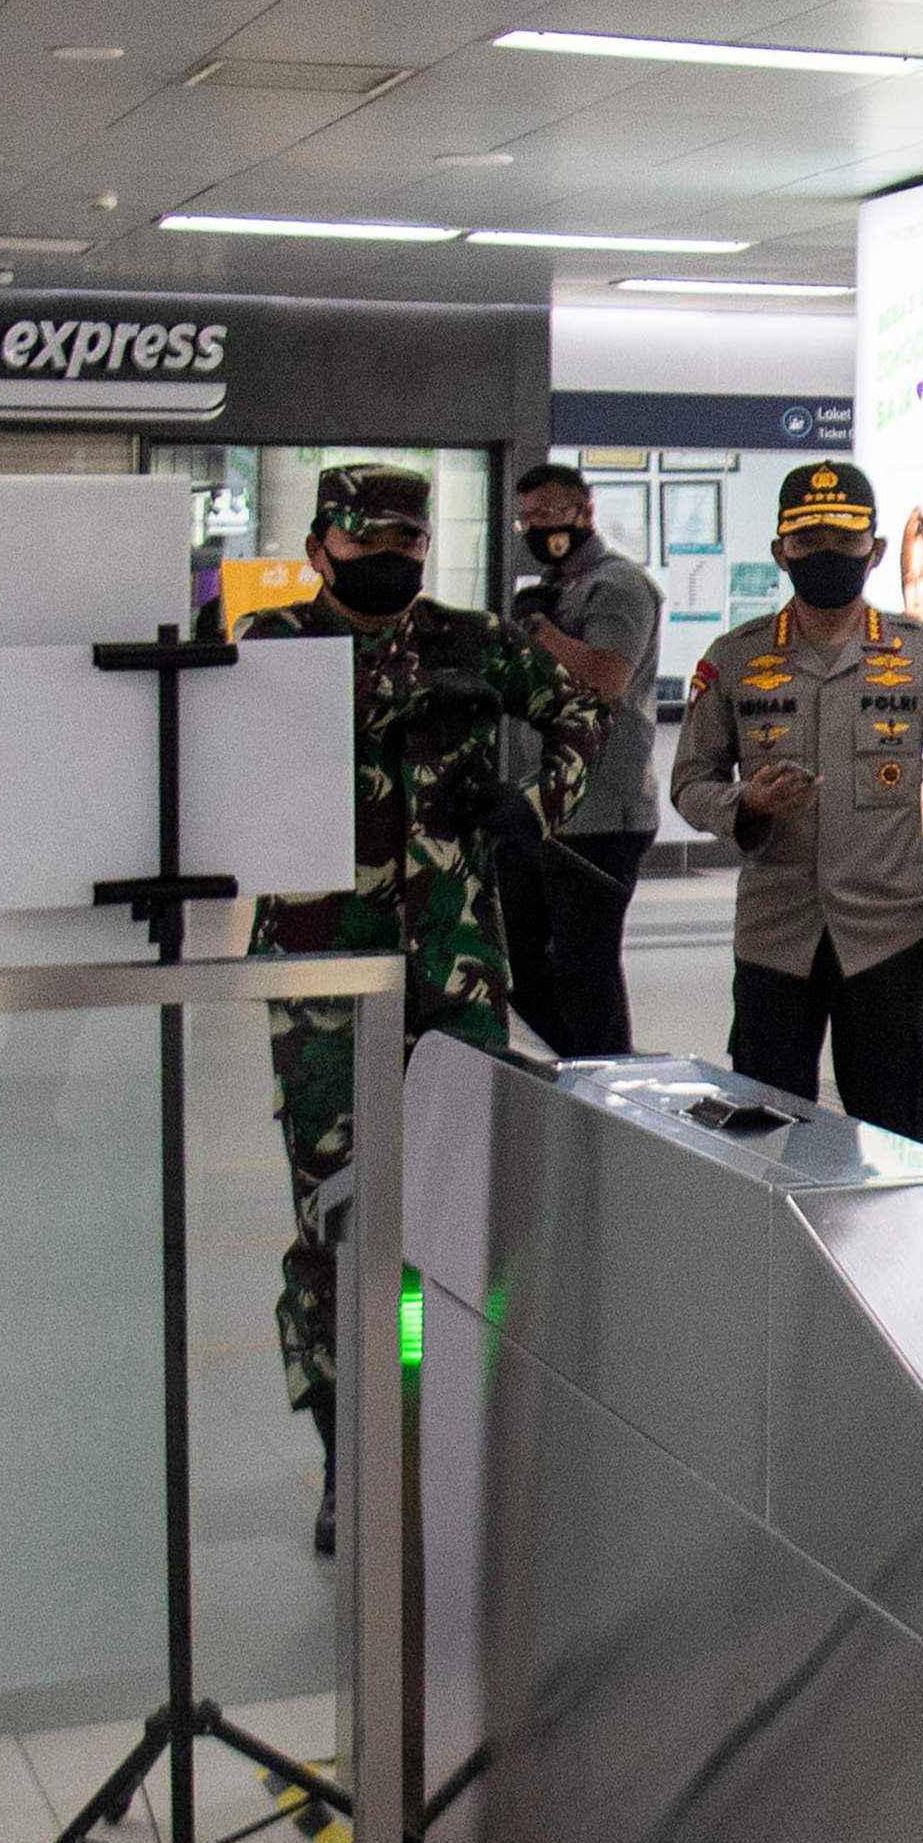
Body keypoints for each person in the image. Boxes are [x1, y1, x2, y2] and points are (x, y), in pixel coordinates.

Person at [244, 464, 605, 1554]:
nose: (391, 559)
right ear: (321, 549)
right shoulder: (268, 653)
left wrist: (529, 805)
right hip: (317, 982)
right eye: (368, 544)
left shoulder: (475, 640)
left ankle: (462, 1439)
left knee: (465, 1217)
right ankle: (344, 1460)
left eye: (408, 540)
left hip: (455, 976)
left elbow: (586, 715)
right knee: (331, 1222)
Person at [671, 462, 923, 1146]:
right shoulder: (735, 658)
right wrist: (745, 802)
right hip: (774, 934)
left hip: (887, 932)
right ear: (780, 552)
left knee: (897, 1129)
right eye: (808, 539)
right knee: (762, 1130)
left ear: (874, 552)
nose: (826, 554)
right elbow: (690, 781)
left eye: (844, 541)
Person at [500, 461, 664, 1057]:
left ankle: (605, 1081)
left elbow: (604, 678)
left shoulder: (618, 586)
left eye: (547, 515)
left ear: (584, 512)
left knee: (584, 968)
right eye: (526, 519)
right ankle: (581, 1067)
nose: (535, 528)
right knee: (515, 961)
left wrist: (540, 632)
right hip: (544, 808)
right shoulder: (557, 587)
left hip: (600, 816)